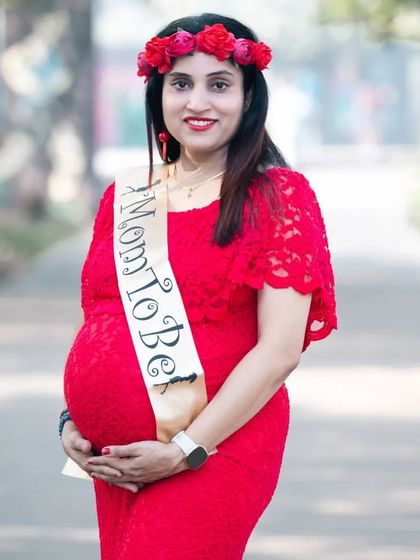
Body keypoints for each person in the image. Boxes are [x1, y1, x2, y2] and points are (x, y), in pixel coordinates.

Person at [59, 12, 337, 560]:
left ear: (249, 97)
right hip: (117, 458)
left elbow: (279, 350)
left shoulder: (277, 196)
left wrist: (185, 449)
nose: (197, 102)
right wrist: (72, 420)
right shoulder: (127, 197)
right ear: (159, 92)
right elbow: (101, 317)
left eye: (220, 85)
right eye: (181, 83)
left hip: (215, 447)